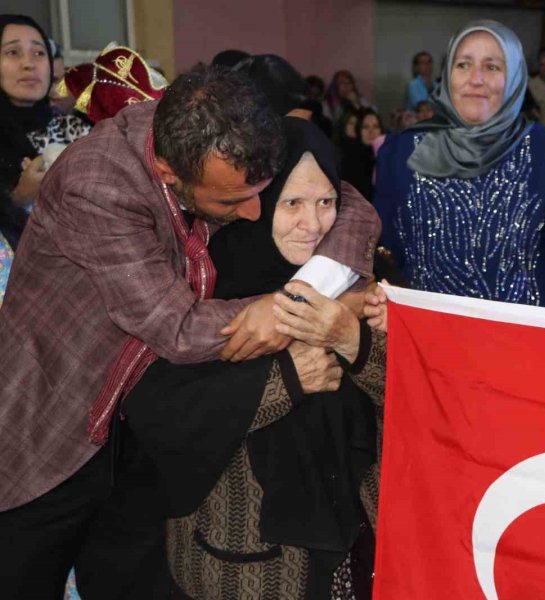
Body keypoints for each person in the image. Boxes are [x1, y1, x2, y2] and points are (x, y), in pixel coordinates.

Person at [0, 64, 379, 599]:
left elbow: (352, 204)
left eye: (263, 193)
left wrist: (311, 291)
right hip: (56, 427)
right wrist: (294, 312)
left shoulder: (232, 129)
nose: (254, 212)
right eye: (230, 202)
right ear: (167, 171)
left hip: (142, 435)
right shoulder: (98, 184)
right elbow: (176, 326)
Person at [126, 117, 383, 599]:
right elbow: (156, 412)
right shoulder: (195, 284)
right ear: (256, 200)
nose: (313, 224)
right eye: (292, 203)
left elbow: (413, 395)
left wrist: (354, 340)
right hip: (240, 560)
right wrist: (286, 377)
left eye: (326, 202)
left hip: (354, 543)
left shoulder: (356, 282)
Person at [374, 20, 545, 310]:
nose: (476, 79)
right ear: (447, 74)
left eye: (492, 67)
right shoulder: (402, 151)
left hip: (522, 334)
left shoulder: (544, 148)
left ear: (514, 78)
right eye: (463, 65)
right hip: (424, 332)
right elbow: (382, 254)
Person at [0, 15, 91, 245]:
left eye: (39, 53)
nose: (29, 63)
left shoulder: (78, 132)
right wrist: (20, 198)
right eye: (13, 52)